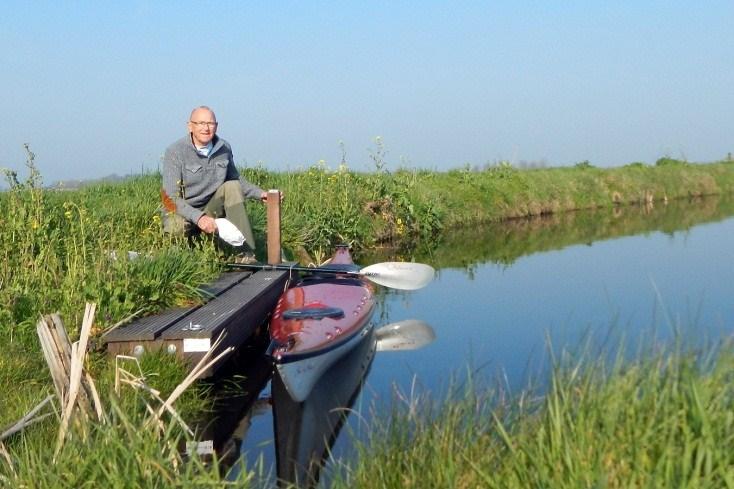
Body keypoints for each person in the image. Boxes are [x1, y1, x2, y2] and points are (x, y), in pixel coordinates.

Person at [161, 106, 265, 263]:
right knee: (176, 226)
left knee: (232, 186)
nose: (206, 128)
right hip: (184, 212)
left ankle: (245, 253)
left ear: (217, 126)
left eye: (210, 123)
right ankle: (182, 259)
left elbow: (236, 180)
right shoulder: (175, 151)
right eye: (201, 123)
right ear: (190, 126)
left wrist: (261, 194)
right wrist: (199, 218)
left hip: (211, 208)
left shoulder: (224, 148)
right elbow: (169, 198)